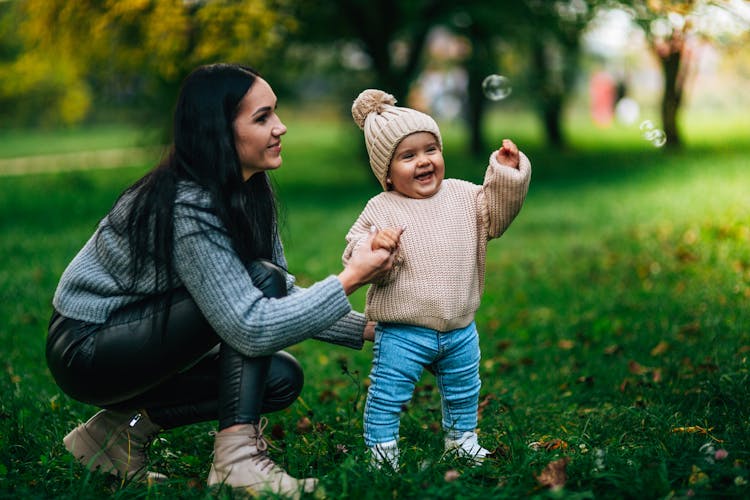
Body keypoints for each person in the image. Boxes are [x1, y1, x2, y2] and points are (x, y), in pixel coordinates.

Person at [46, 64, 398, 497]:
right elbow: (249, 324)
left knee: (279, 379)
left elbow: (279, 291)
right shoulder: (185, 203)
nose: (281, 127)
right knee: (258, 285)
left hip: (141, 335)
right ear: (219, 130)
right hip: (89, 347)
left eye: (276, 114)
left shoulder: (249, 189)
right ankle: (237, 461)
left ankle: (116, 433)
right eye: (263, 117)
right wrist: (351, 277)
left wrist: (372, 329)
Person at [344, 89, 531, 469]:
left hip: (461, 326)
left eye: (431, 149)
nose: (424, 162)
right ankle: (381, 450)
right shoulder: (381, 207)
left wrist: (507, 174)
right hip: (403, 330)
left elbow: (496, 213)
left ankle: (461, 439)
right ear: (387, 172)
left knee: (464, 388)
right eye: (407, 156)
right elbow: (353, 251)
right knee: (388, 392)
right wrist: (374, 244)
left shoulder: (463, 195)